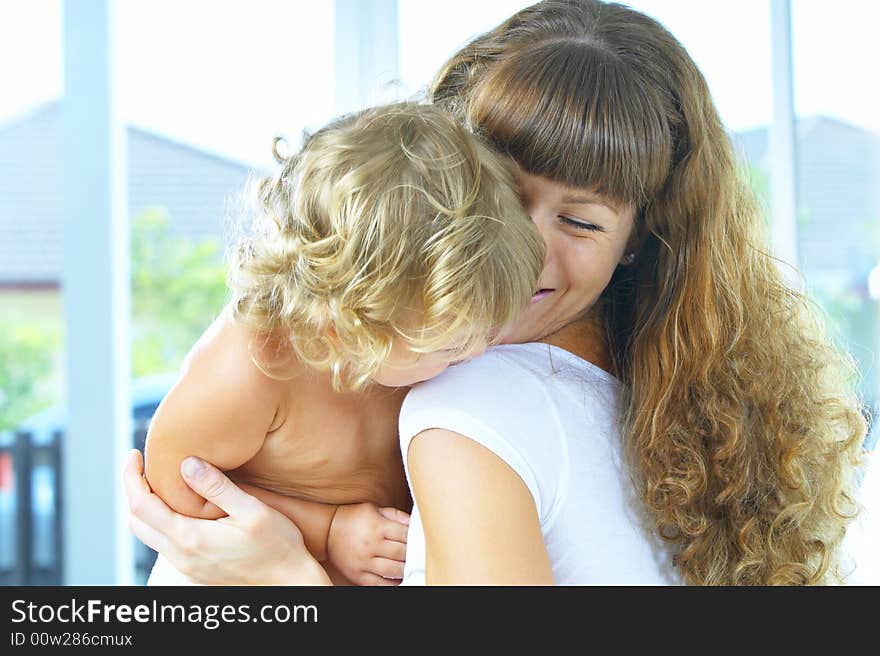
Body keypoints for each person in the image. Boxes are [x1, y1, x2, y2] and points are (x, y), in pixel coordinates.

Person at [125, 0, 870, 585]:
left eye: (580, 220)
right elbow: (174, 494)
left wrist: (293, 574)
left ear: (644, 236)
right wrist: (313, 544)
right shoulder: (341, 343)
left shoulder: (482, 396)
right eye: (500, 195)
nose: (526, 249)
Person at [140, 101, 544, 585]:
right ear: (347, 326)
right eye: (449, 346)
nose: (477, 351)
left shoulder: (405, 345)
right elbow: (175, 486)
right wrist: (327, 530)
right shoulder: (254, 363)